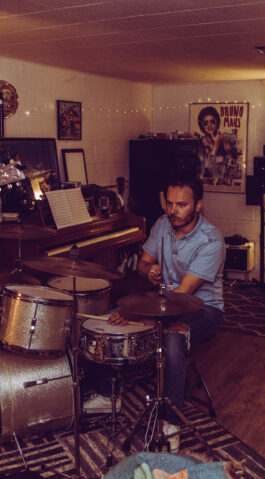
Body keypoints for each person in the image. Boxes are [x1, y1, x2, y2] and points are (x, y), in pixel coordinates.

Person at [108, 176, 225, 451]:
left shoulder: (211, 240)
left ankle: (171, 423)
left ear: (198, 205)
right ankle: (106, 395)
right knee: (109, 318)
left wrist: (140, 315)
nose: (172, 211)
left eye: (181, 205)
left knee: (173, 337)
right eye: (169, 204)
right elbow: (143, 263)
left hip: (204, 310)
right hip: (164, 303)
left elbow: (183, 295)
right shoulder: (163, 224)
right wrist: (148, 270)